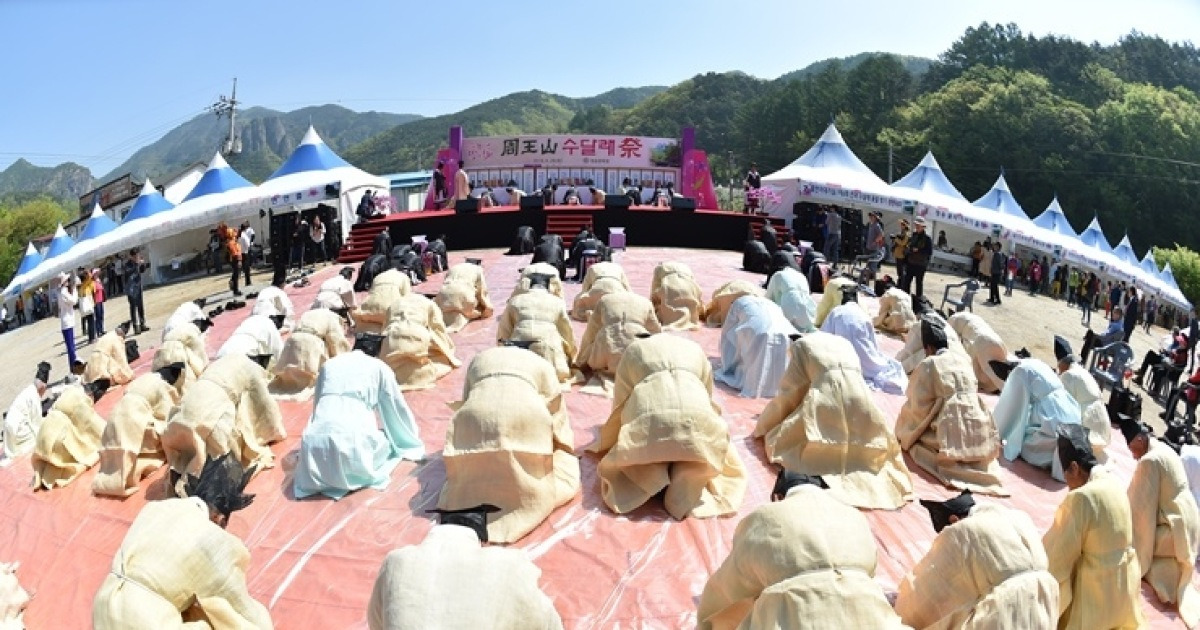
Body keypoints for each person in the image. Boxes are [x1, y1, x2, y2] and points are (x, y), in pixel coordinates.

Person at [697, 472, 908, 629]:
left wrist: (707, 622)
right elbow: (870, 570)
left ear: (779, 495)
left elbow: (729, 585)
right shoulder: (854, 516)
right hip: (868, 614)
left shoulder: (764, 517)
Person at [91, 454, 273, 629]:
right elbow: (238, 604)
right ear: (219, 518)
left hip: (104, 605)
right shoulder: (209, 536)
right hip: (142, 620)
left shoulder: (155, 508)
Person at [589, 333, 746, 519]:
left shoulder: (633, 351)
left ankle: (653, 477)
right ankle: (684, 483)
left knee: (642, 446)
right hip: (695, 425)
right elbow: (707, 396)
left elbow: (620, 404)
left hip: (649, 427)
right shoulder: (695, 349)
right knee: (697, 445)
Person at [755, 331, 914, 509]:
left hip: (827, 401)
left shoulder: (801, 348)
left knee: (783, 439)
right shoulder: (842, 342)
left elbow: (790, 393)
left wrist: (765, 424)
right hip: (862, 400)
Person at [438, 346, 579, 543]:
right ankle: (521, 502)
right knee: (534, 461)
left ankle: (471, 497)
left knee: (477, 452)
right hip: (524, 412)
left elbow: (467, 397)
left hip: (476, 413)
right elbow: (555, 409)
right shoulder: (542, 364)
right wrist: (562, 445)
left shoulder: (480, 357)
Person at [367, 504, 564, 629]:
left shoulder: (396, 560)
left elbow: (376, 621)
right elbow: (547, 622)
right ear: (480, 539)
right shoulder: (508, 564)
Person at [894, 491, 1058, 629]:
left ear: (953, 520)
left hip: (1005, 613)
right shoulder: (1020, 517)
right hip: (1046, 603)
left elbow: (927, 593)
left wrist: (898, 609)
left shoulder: (962, 532)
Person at [293, 339, 424, 500]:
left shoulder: (330, 365)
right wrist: (407, 440)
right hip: (353, 446)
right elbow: (395, 408)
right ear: (377, 353)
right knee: (386, 441)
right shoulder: (379, 367)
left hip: (313, 449)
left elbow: (318, 405)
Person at [1043, 424, 1146, 629]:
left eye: (1067, 477)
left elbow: (1056, 555)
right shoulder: (1114, 482)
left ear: (1074, 467)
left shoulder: (1082, 498)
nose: (1068, 485)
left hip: (1096, 595)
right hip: (1125, 592)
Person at [895, 320, 1007, 495]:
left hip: (952, 430)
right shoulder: (964, 361)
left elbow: (918, 405)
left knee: (915, 428)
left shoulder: (930, 364)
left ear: (928, 348)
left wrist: (903, 430)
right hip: (980, 430)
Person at [161, 353, 285, 489]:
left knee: (191, 453)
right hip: (210, 420)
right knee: (223, 470)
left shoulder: (225, 362)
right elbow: (265, 405)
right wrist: (275, 432)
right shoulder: (251, 369)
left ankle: (187, 471)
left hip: (178, 419)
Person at [1120, 417, 1200, 624]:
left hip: (1177, 530)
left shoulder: (1150, 461)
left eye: (1132, 447)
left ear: (1140, 439)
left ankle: (1168, 584)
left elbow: (1139, 511)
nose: (1132, 453)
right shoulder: (1163, 449)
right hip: (1191, 523)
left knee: (1134, 545)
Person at [92, 363, 185, 497]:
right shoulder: (161, 386)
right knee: (167, 432)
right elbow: (167, 415)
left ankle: (113, 476)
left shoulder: (141, 380)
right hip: (134, 424)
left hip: (114, 420)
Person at [991, 358, 1084, 482]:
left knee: (1025, 447)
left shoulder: (1020, 372)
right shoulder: (1036, 363)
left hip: (1053, 421)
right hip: (1070, 413)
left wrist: (993, 431)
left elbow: (1011, 409)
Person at [715, 296, 798, 399]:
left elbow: (727, 332)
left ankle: (758, 386)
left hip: (760, 333)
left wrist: (727, 364)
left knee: (754, 354)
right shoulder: (772, 303)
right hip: (789, 332)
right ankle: (776, 387)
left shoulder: (738, 304)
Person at [497, 273, 575, 383]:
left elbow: (504, 330)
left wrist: (502, 352)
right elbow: (567, 331)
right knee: (555, 374)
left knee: (516, 373)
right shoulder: (558, 302)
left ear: (530, 286)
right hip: (548, 346)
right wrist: (571, 354)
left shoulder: (515, 300)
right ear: (548, 287)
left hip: (518, 346)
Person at [31, 379, 108, 490]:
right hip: (55, 440)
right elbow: (95, 425)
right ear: (91, 395)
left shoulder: (71, 391)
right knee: (93, 448)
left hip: (41, 437)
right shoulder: (82, 400)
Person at [380, 293, 461, 390]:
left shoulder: (394, 303)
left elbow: (384, 328)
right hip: (416, 333)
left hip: (391, 334)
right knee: (438, 360)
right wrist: (447, 349)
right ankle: (414, 377)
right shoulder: (430, 304)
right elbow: (438, 329)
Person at [1054, 335, 1112, 461]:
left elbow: (1064, 405)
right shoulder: (1083, 371)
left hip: (1088, 424)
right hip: (1103, 423)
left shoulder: (1068, 375)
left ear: (1063, 364)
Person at [270, 308, 351, 395]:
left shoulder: (308, 313)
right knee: (313, 379)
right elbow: (337, 342)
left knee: (288, 378)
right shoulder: (333, 317)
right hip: (310, 342)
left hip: (292, 341)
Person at [947, 311, 1011, 393]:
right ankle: (1005, 391)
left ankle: (1006, 392)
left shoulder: (952, 322)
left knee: (989, 370)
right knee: (992, 369)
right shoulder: (961, 318)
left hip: (982, 340)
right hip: (987, 338)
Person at [3, 363, 49, 459]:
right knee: (35, 442)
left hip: (9, 426)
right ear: (42, 387)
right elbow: (37, 423)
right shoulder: (34, 397)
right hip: (17, 428)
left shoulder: (28, 391)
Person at [433, 261, 493, 333]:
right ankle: (465, 312)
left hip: (444, 293)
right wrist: (487, 308)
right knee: (478, 307)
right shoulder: (478, 270)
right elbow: (482, 292)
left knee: (447, 305)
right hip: (464, 293)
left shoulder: (453, 267)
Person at [355, 268, 413, 334]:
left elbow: (372, 292)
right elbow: (407, 298)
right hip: (388, 308)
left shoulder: (378, 276)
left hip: (368, 307)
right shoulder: (404, 277)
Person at [649, 261, 704, 330]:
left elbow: (654, 291)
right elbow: (696, 289)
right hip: (690, 288)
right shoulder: (686, 267)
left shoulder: (659, 268)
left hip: (669, 289)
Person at [763, 265, 818, 333]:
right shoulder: (802, 276)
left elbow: (768, 298)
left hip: (788, 314)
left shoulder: (778, 275)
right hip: (809, 313)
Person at [216, 314, 285, 365]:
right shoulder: (270, 325)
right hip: (240, 358)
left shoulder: (252, 320)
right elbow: (279, 353)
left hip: (221, 355)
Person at [82, 323, 134, 387]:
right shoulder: (117, 339)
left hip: (92, 359)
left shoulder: (107, 335)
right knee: (116, 373)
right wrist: (129, 374)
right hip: (101, 361)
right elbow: (121, 358)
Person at [902, 216, 933, 298]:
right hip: (911, 262)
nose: (917, 227)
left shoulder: (927, 239)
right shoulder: (914, 235)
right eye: (916, 225)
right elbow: (910, 246)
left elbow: (929, 252)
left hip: (921, 265)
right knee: (906, 282)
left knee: (918, 283)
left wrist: (918, 250)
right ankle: (906, 299)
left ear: (923, 227)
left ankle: (918, 301)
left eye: (919, 225)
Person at [56, 272, 80, 370]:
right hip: (67, 321)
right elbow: (74, 301)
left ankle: (73, 367)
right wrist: (74, 289)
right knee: (71, 348)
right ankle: (73, 368)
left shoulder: (61, 292)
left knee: (71, 347)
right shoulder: (64, 292)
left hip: (66, 321)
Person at [220, 221, 243, 296]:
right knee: (236, 274)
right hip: (235, 259)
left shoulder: (230, 241)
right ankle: (236, 290)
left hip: (233, 259)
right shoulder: (231, 243)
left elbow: (238, 233)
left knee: (236, 273)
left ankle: (232, 282)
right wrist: (239, 260)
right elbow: (235, 252)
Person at [864, 211, 885, 276]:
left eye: (872, 216)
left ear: (875, 217)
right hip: (869, 247)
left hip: (874, 248)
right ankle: (868, 276)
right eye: (870, 216)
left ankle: (872, 276)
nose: (870, 217)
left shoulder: (877, 225)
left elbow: (881, 235)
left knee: (872, 264)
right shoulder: (871, 224)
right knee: (868, 263)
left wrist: (875, 242)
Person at [238, 222, 254, 287]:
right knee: (247, 268)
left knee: (240, 267)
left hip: (239, 253)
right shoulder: (244, 235)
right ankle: (248, 282)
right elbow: (247, 244)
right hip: (245, 252)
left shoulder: (238, 235)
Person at [91, 267, 106, 337]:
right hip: (96, 301)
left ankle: (101, 329)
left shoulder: (98, 280)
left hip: (100, 300)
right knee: (98, 316)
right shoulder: (93, 282)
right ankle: (98, 331)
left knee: (101, 315)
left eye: (97, 273)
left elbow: (102, 289)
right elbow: (93, 292)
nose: (97, 274)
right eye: (96, 274)